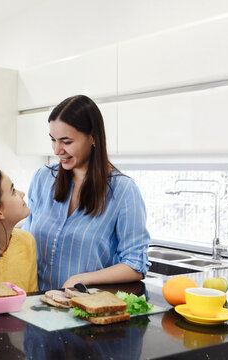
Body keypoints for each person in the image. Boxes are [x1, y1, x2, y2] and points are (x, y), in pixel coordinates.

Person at [23, 95, 150, 291]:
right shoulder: (42, 178)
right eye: (53, 140)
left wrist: (83, 278)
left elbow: (136, 264)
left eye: (66, 141)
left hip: (84, 310)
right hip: (36, 306)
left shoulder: (124, 191)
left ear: (92, 137)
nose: (57, 150)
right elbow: (25, 242)